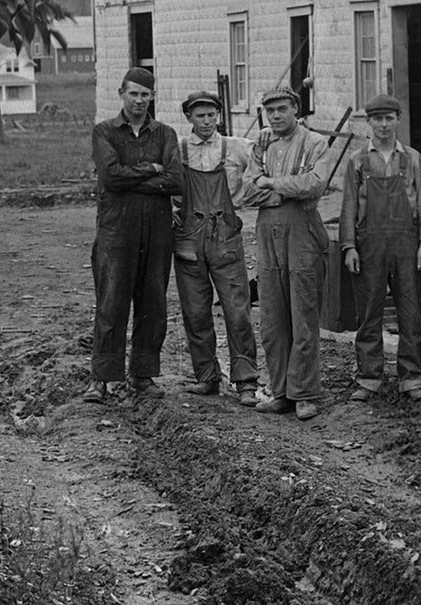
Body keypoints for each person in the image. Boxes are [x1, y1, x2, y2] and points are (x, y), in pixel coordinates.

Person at [241, 86, 338, 420]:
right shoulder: (262, 145)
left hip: (303, 232)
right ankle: (280, 391)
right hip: (268, 232)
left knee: (302, 314)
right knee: (272, 317)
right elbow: (246, 189)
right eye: (270, 111)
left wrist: (272, 183)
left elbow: (314, 184)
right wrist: (279, 191)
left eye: (282, 109)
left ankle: (305, 393)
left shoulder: (314, 143)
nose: (276, 116)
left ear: (296, 109)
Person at [86, 67, 181, 403]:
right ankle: (102, 379)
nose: (139, 100)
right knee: (111, 303)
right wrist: (151, 169)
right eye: (134, 93)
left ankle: (142, 375)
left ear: (152, 97)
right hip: (116, 231)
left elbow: (176, 180)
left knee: (152, 304)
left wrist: (134, 177)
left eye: (145, 94)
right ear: (121, 94)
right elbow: (110, 177)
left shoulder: (165, 134)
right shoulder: (105, 132)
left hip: (156, 232)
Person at [341, 94, 421, 402]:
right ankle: (369, 378)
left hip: (406, 243)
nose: (383, 124)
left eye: (389, 118)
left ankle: (412, 378)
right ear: (369, 122)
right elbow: (348, 207)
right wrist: (349, 246)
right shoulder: (357, 161)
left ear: (398, 120)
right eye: (377, 119)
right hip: (369, 244)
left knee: (410, 311)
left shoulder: (412, 158)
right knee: (369, 311)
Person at [171, 89, 258, 404]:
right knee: (195, 313)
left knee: (237, 312)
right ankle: (206, 377)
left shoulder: (236, 148)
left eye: (211, 115)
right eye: (199, 115)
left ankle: (246, 381)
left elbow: (269, 158)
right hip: (188, 241)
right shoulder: (177, 150)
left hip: (225, 238)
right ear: (189, 118)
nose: (206, 121)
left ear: (218, 116)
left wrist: (255, 192)